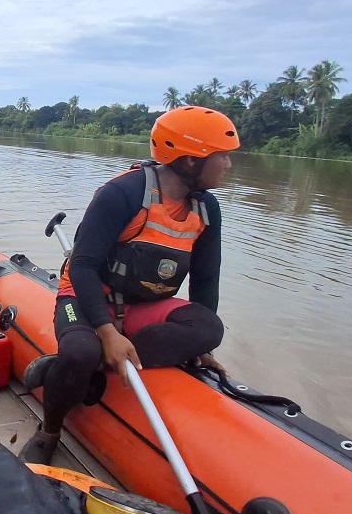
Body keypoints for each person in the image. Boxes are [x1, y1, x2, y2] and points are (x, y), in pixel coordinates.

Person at [17, 106, 239, 465]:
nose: (228, 165)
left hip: (143, 304)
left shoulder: (207, 208)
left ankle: (79, 373)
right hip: (88, 295)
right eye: (222, 156)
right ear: (190, 161)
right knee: (81, 352)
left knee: (208, 328)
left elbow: (205, 277)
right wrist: (105, 332)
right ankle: (50, 430)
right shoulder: (122, 193)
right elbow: (84, 265)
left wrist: (201, 347)